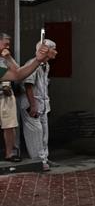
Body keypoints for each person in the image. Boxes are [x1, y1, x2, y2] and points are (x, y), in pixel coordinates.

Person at [20, 39, 57, 171]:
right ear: (46, 50)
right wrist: (33, 105)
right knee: (35, 133)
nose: (56, 52)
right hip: (32, 103)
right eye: (54, 49)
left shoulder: (45, 65)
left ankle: (44, 158)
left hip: (42, 104)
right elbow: (28, 84)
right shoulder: (33, 64)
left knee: (43, 133)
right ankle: (38, 161)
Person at [1, 79, 18, 163]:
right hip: (4, 96)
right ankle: (9, 153)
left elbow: (6, 89)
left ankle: (9, 153)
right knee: (9, 126)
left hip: (5, 98)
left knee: (9, 125)